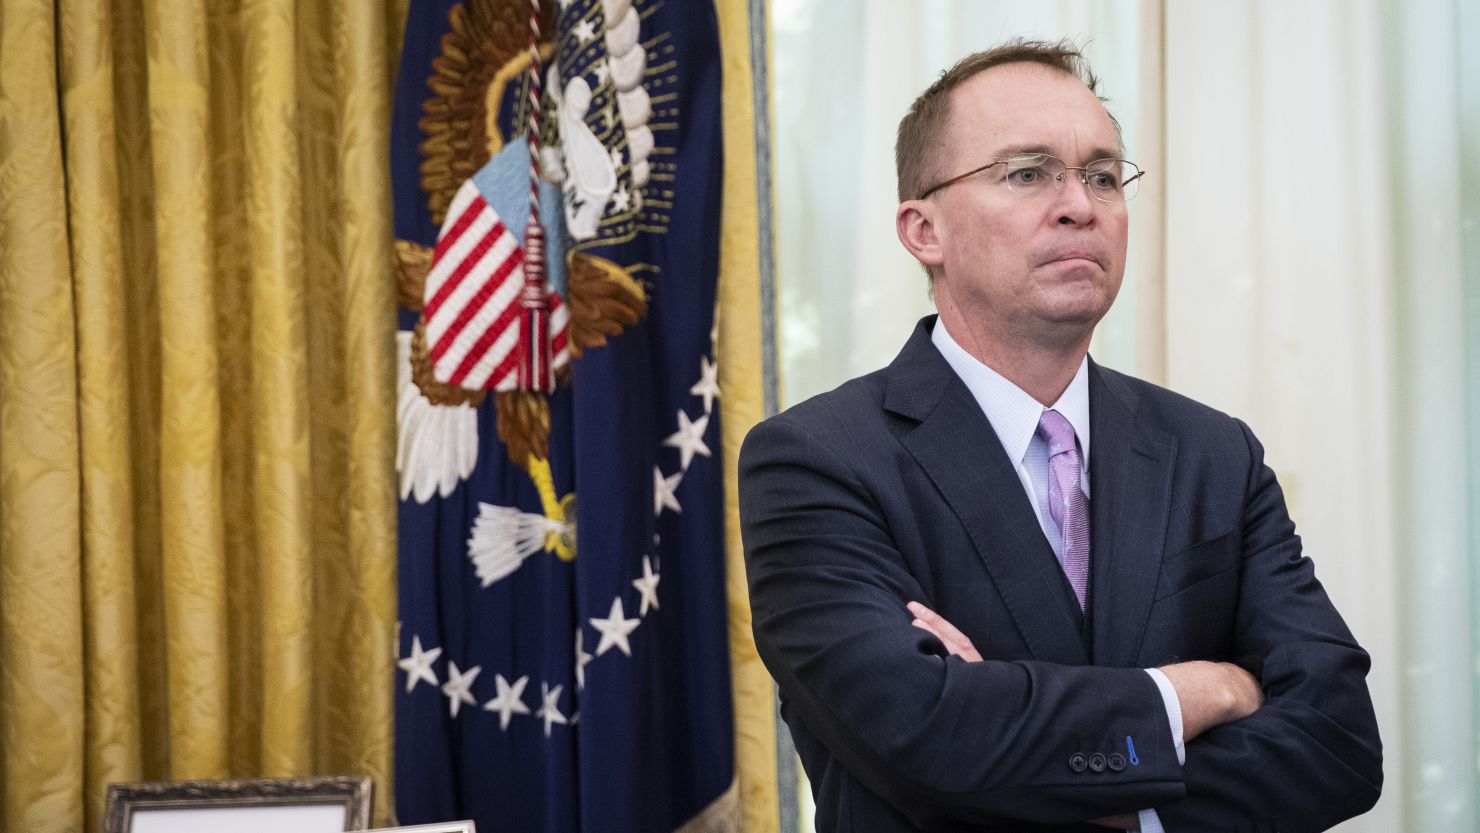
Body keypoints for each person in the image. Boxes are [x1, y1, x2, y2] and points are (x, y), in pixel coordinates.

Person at [739, 39, 1382, 832]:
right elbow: (925, 731)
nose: (1080, 204)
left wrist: (1074, 784)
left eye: (1104, 176)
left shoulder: (1215, 454)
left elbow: (1340, 741)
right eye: (1027, 172)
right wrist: (1204, 690)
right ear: (922, 229)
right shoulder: (817, 460)